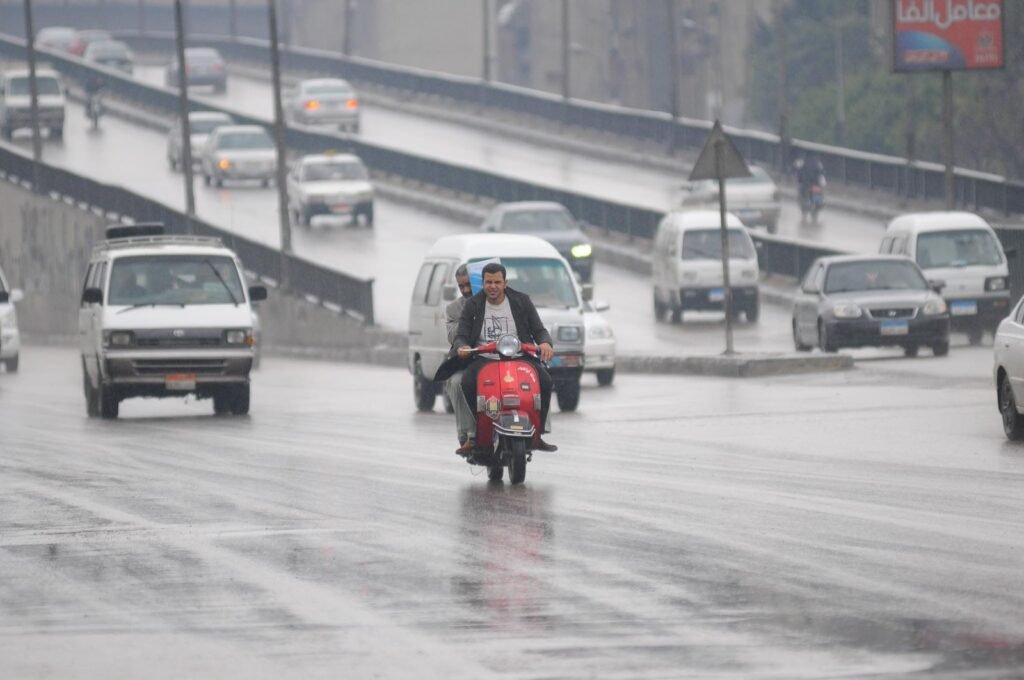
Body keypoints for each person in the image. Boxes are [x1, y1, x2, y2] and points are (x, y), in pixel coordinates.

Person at [453, 262, 558, 455]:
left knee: (545, 380)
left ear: (505, 283)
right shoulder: (473, 305)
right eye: (488, 282)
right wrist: (462, 346)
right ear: (483, 283)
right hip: (484, 358)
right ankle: (476, 433)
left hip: (520, 357)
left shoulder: (522, 301)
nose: (493, 286)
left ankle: (538, 433)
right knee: (466, 382)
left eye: (497, 282)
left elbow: (539, 330)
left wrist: (545, 343)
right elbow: (462, 334)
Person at [444, 265, 475, 449]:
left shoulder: (499, 303)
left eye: (469, 285)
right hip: (467, 361)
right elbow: (453, 336)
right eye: (461, 286)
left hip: (499, 359)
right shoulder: (454, 309)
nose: (465, 290)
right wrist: (470, 312)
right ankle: (467, 435)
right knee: (457, 382)